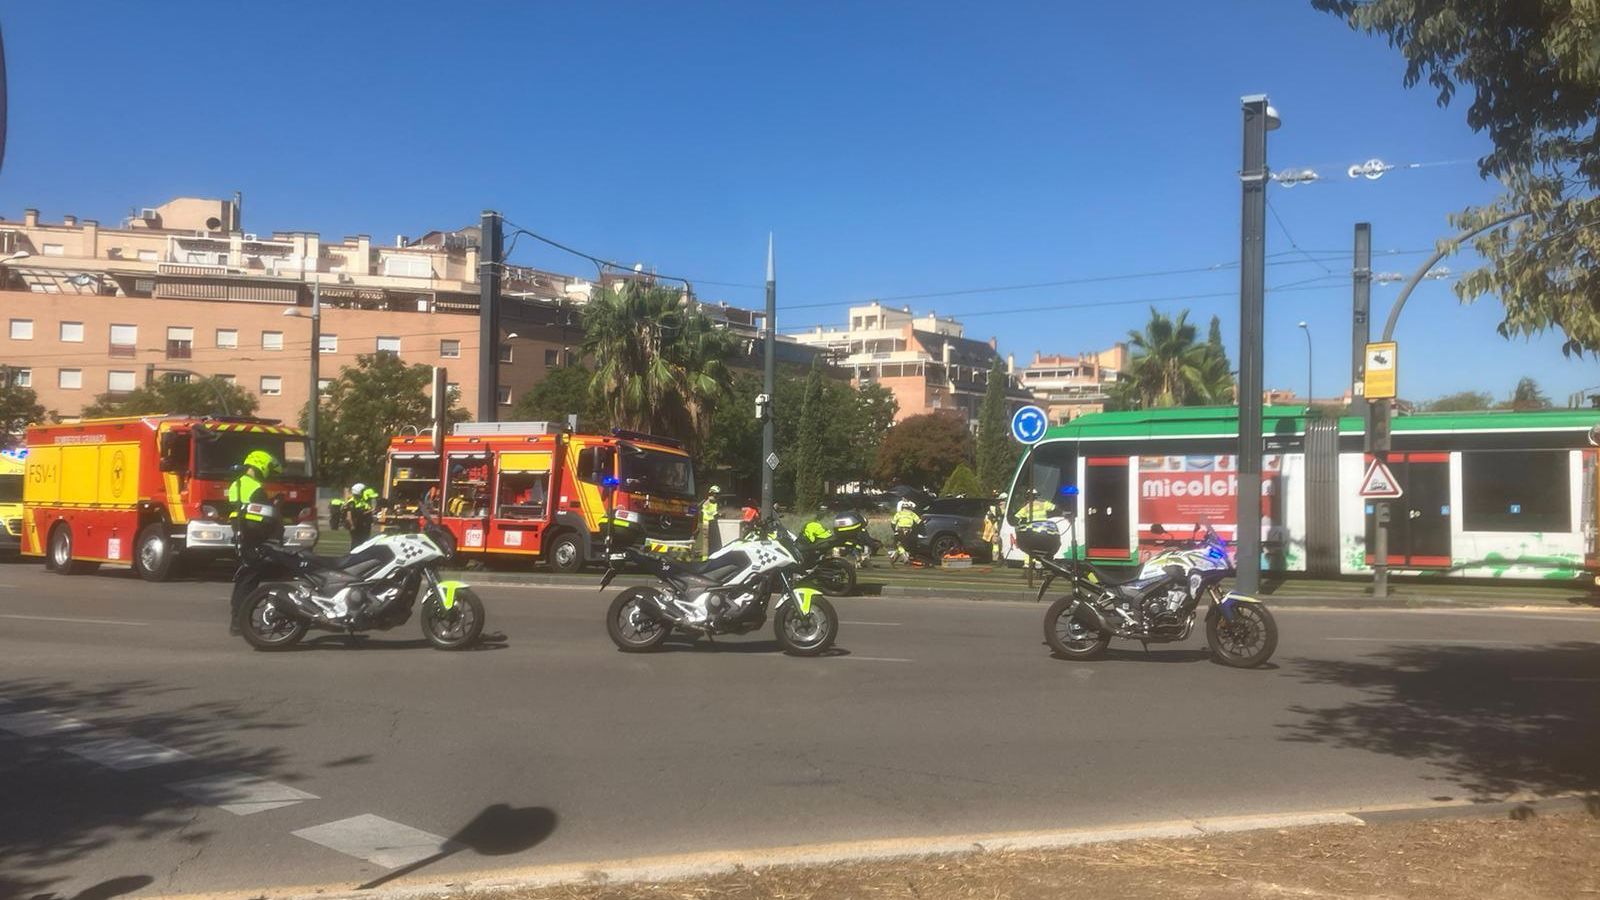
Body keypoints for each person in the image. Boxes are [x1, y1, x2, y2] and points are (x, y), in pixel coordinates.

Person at [227, 449, 282, 636]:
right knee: (249, 582)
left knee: (243, 580)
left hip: (241, 535)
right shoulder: (255, 487)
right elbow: (264, 513)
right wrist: (275, 505)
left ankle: (237, 621)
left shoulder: (238, 483)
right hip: (253, 536)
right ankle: (241, 624)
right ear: (260, 465)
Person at [889, 499, 922, 565]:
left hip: (900, 531)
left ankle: (905, 558)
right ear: (910, 508)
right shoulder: (912, 514)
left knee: (898, 545)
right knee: (904, 545)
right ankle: (894, 558)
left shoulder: (899, 513)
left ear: (902, 508)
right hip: (909, 532)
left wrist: (895, 531)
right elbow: (919, 523)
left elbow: (892, 523)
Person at [699, 484, 723, 558]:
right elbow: (704, 512)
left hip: (713, 523)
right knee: (706, 544)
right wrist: (717, 514)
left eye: (717, 495)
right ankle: (705, 560)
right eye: (715, 494)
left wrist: (718, 514)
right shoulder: (706, 502)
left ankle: (714, 557)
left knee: (716, 543)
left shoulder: (715, 503)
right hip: (707, 523)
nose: (716, 496)